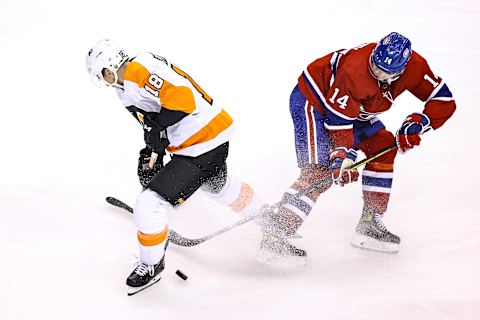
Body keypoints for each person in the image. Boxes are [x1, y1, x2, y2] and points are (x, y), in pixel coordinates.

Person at [85, 39, 266, 294]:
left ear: (111, 66)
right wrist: (153, 152)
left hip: (201, 146)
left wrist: (158, 130)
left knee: (150, 204)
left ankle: (151, 264)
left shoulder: (139, 70)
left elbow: (183, 101)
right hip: (204, 143)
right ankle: (271, 220)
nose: (105, 80)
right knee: (220, 188)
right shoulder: (123, 88)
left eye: (104, 74)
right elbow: (153, 123)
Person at [262, 32, 456, 255]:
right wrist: (342, 157)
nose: (378, 73)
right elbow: (339, 123)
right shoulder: (354, 71)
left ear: (403, 68)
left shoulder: (416, 67)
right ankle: (275, 235)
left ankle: (370, 223)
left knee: (383, 147)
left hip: (357, 109)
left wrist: (421, 123)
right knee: (320, 173)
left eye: (386, 72)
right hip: (314, 101)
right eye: (375, 66)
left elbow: (444, 100)